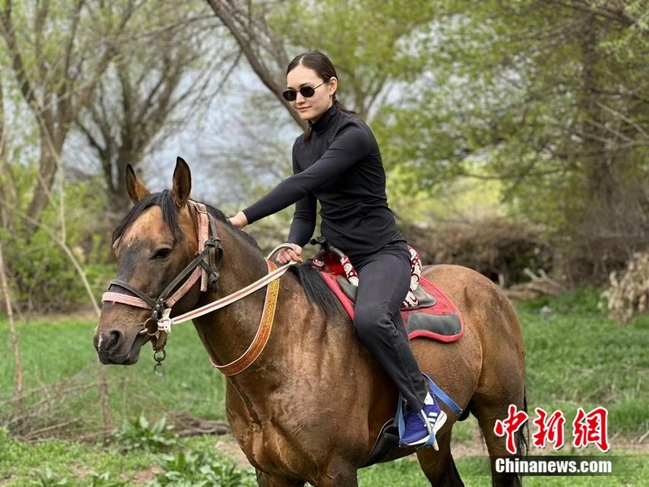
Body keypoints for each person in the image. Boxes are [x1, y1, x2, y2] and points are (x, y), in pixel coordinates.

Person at [228, 50, 446, 448]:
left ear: (331, 85)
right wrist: (293, 243)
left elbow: (302, 183)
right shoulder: (301, 146)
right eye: (290, 94)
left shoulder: (354, 135)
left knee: (371, 320)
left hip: (381, 254)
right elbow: (304, 211)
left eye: (306, 90)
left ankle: (423, 403)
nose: (299, 100)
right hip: (334, 259)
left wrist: (241, 219)